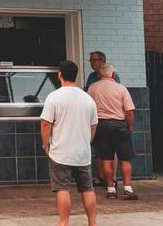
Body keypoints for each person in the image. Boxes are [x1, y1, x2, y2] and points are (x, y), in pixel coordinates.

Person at [41, 60, 98, 226]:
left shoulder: (54, 97)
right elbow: (93, 126)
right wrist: (87, 142)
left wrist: (46, 145)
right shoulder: (88, 99)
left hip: (61, 153)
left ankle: (63, 222)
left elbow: (45, 124)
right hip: (82, 154)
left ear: (60, 75)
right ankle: (92, 223)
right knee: (87, 189)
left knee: (62, 189)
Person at [88, 63, 138, 200]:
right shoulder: (121, 88)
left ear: (99, 75)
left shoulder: (92, 88)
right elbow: (129, 111)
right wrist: (130, 126)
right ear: (113, 74)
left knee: (106, 159)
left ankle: (110, 188)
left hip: (101, 126)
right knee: (125, 158)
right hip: (119, 125)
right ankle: (127, 187)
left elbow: (88, 109)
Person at [85, 51, 120, 188]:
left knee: (111, 151)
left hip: (111, 117)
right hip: (96, 117)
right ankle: (101, 176)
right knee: (99, 149)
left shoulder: (113, 76)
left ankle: (113, 178)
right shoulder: (91, 77)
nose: (92, 63)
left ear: (101, 61)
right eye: (91, 60)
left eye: (94, 60)